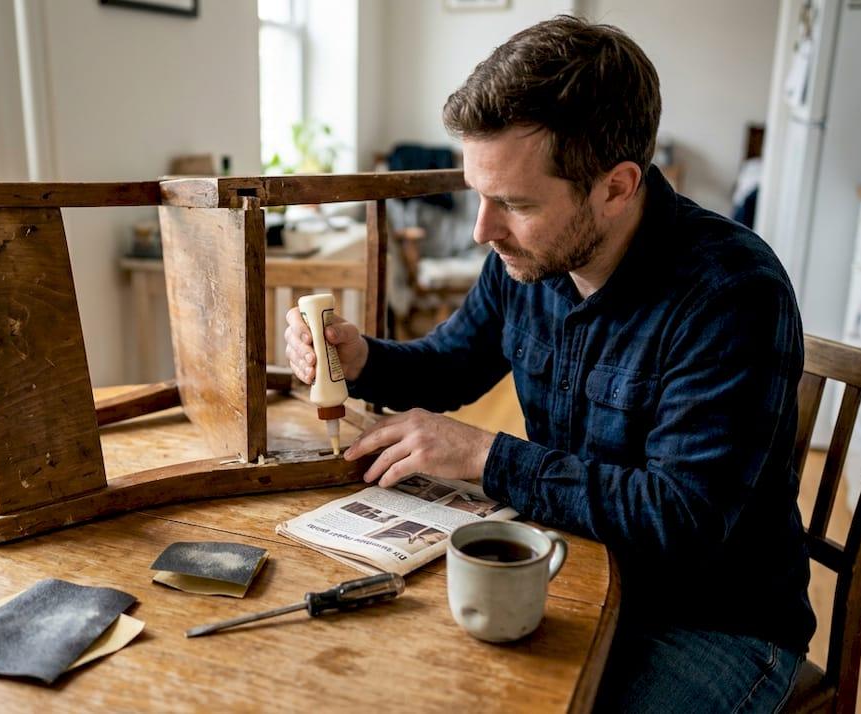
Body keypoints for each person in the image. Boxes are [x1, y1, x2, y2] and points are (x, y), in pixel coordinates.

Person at [284, 15, 813, 712]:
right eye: (480, 194)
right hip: (570, 564)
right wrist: (363, 359)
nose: (483, 229)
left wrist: (487, 456)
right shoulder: (529, 258)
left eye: (514, 203)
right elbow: (452, 362)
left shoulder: (732, 294)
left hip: (708, 622)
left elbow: (681, 520)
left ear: (617, 187)